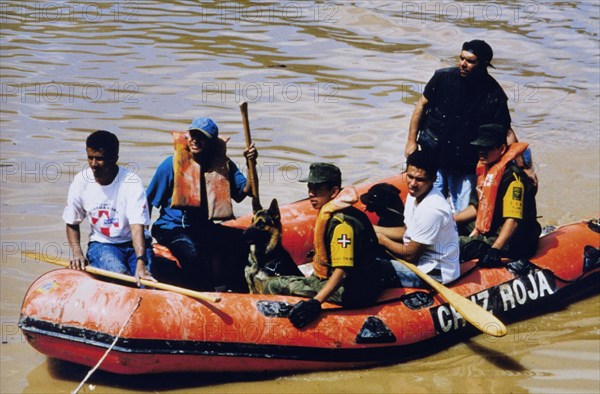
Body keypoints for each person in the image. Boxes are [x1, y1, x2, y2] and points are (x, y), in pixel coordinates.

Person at [405, 40, 535, 212]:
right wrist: (411, 141)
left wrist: (523, 167)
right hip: (434, 155)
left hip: (465, 162)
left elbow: (506, 131)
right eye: (461, 58)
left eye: (470, 61)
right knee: (426, 203)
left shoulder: (494, 94)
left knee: (462, 209)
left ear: (484, 64)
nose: (463, 64)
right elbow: (421, 105)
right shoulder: (442, 78)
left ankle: (458, 236)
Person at [263, 163, 386, 328]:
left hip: (352, 291)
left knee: (274, 284)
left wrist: (316, 302)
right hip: (362, 282)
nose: (310, 194)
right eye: (309, 188)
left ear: (334, 192)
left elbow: (342, 272)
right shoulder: (347, 212)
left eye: (317, 189)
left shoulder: (341, 225)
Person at [146, 116, 257, 291]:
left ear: (212, 142)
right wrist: (142, 236)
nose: (196, 140)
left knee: (245, 241)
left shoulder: (222, 165)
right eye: (193, 135)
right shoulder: (171, 164)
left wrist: (251, 163)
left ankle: (236, 287)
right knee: (191, 252)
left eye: (202, 137)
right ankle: (203, 291)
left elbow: (246, 191)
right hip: (172, 227)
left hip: (203, 228)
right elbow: (147, 201)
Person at [63, 130, 155, 285]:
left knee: (145, 283)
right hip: (103, 244)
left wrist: (141, 261)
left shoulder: (131, 182)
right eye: (90, 158)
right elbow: (72, 222)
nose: (93, 164)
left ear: (114, 159)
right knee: (120, 276)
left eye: (99, 159)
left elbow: (137, 227)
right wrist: (77, 253)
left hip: (134, 244)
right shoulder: (80, 182)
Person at [454, 124, 541, 266]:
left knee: (458, 246)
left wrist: (495, 249)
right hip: (493, 227)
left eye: (487, 148)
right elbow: (477, 208)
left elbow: (513, 220)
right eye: (479, 148)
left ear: (501, 149)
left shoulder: (514, 179)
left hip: (516, 239)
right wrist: (450, 220)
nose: (481, 152)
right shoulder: (486, 172)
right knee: (451, 229)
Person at [376, 151, 460, 287]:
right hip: (419, 258)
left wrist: (382, 240)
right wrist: (373, 229)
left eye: (419, 179)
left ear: (433, 179)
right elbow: (406, 231)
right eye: (410, 177)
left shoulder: (432, 210)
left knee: (368, 268)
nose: (413, 184)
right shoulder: (415, 193)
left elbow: (410, 255)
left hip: (433, 271)